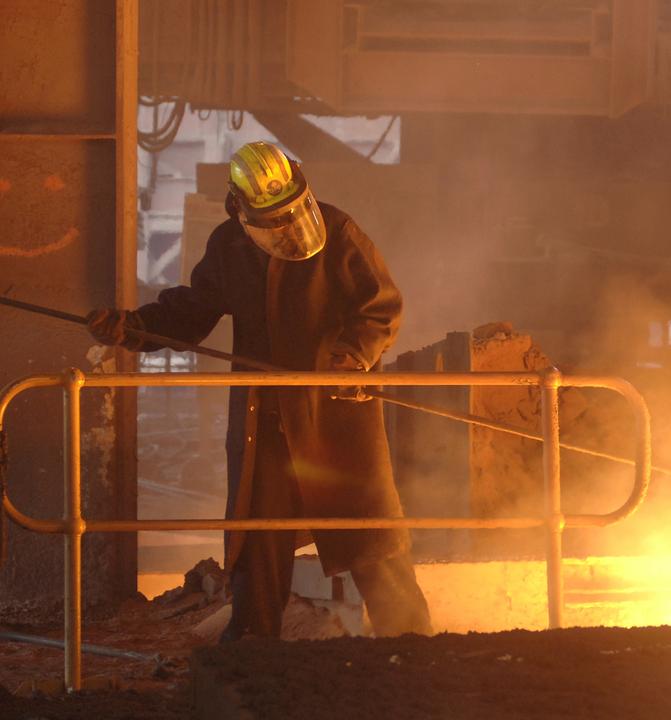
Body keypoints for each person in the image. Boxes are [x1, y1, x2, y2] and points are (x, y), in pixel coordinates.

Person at [89, 141, 430, 641]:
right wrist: (133, 327)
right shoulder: (230, 247)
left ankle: (414, 645)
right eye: (271, 218)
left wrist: (351, 357)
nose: (286, 228)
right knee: (259, 544)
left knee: (367, 532)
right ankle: (254, 651)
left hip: (332, 414)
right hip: (264, 422)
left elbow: (380, 306)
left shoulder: (337, 232)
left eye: (291, 212)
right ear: (240, 206)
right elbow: (190, 312)